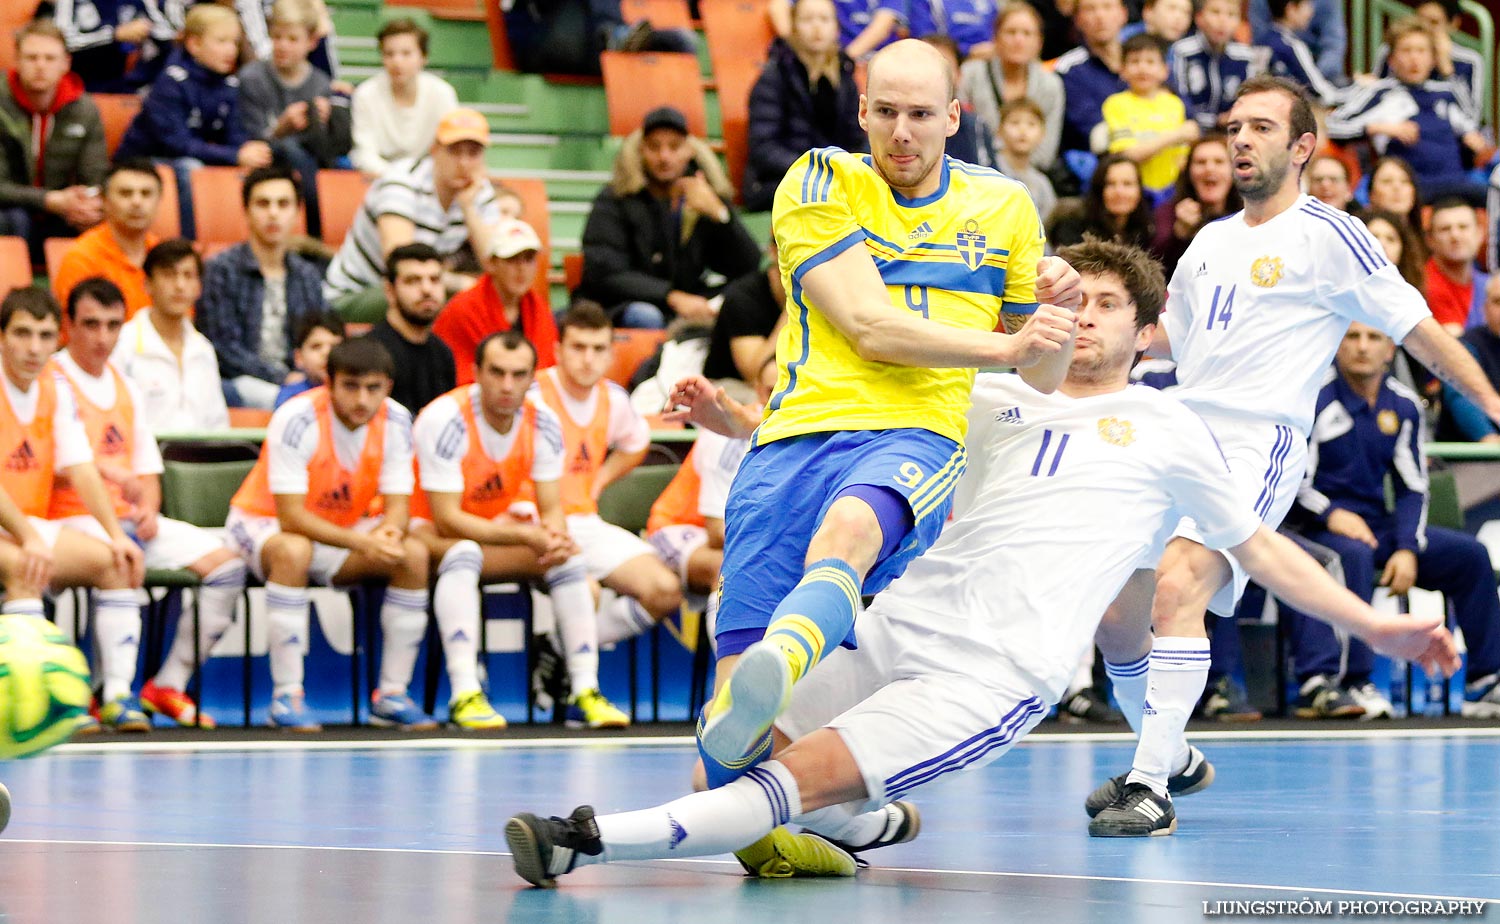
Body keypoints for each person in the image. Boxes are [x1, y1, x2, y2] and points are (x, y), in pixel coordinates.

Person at [503, 239, 1458, 886]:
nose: (1082, 319)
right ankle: (870, 826)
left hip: (992, 672)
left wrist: (1373, 623)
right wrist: (729, 421)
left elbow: (1258, 547)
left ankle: (581, 838)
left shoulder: (1171, 427)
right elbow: (858, 446)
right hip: (899, 624)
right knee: (728, 759)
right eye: (1069, 302)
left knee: (781, 789)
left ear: (1144, 329)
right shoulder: (989, 396)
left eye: (1106, 306)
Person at [1085, 75, 1500, 838]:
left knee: (1179, 588)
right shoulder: (1210, 240)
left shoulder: (1331, 235)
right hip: (1177, 428)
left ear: (1303, 147)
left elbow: (1418, 327)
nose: (1241, 140)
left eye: (1263, 128)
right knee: (1116, 612)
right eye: (1236, 126)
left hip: (1254, 442)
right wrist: (1095, 328)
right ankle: (1170, 749)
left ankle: (1150, 784)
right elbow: (1175, 336)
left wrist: (1497, 404)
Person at [671, 39, 1079, 804]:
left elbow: (1042, 374)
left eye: (921, 114)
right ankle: (819, 824)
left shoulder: (1006, 207)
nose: (902, 132)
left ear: (955, 117)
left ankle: (781, 666)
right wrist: (1008, 341)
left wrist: (1061, 311)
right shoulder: (820, 179)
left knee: (848, 536)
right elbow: (868, 326)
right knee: (717, 767)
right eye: (885, 112)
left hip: (913, 434)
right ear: (861, 111)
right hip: (789, 440)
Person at [411, 329, 629, 729]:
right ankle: (465, 693)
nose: (507, 385)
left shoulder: (543, 421)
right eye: (497, 373)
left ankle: (583, 690)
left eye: (518, 374)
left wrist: (557, 539)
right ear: (476, 372)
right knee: (463, 552)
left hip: (497, 532)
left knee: (569, 561)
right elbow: (446, 518)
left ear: (533, 377)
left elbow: (551, 506)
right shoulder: (444, 419)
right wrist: (528, 536)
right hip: (427, 533)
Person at [54, 277, 247, 728]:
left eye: (112, 325)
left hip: (124, 521)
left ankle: (168, 683)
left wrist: (148, 510)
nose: (102, 338)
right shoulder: (52, 380)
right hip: (67, 519)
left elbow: (147, 467)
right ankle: (112, 694)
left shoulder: (126, 385)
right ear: (69, 326)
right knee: (119, 559)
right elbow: (49, 464)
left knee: (227, 566)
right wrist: (110, 476)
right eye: (90, 325)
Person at [1285, 322, 1500, 719]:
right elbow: (1293, 480)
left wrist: (1406, 548)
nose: (1363, 347)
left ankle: (1485, 682)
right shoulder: (1312, 399)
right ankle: (1348, 682)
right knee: (1352, 554)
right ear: (1336, 345)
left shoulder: (1403, 405)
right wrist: (1332, 513)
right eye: (1352, 337)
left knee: (1469, 556)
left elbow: (1413, 487)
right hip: (1313, 524)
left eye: (1374, 338)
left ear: (1390, 350)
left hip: (1376, 524)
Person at [224, 337, 432, 731]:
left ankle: (391, 694)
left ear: (387, 387)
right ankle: (286, 696)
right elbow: (290, 518)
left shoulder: (398, 420)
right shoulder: (297, 417)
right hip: (261, 523)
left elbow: (399, 505)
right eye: (350, 386)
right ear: (328, 382)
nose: (362, 399)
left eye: (373, 388)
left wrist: (388, 534)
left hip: (342, 530)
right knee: (294, 552)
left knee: (413, 554)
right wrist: (364, 542)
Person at [0, 288, 146, 730]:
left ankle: (117, 696)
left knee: (116, 563)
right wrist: (28, 537)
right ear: (2, 337)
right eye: (22, 333)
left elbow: (81, 468)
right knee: (26, 566)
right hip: (16, 531)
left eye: (45, 335)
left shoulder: (54, 386)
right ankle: (35, 708)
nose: (34, 347)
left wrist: (117, 535)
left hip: (26, 525)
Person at [530, 304, 683, 652]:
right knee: (586, 591)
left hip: (585, 522)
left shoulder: (613, 398)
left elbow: (636, 442)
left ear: (611, 353)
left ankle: (556, 649)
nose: (588, 359)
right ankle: (575, 673)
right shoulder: (535, 395)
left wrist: (598, 481)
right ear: (558, 351)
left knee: (665, 589)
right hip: (533, 524)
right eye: (578, 347)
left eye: (598, 349)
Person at [576, 106, 762, 330]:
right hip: (622, 304)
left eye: (674, 147)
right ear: (641, 150)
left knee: (745, 300)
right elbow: (604, 272)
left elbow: (749, 267)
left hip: (687, 300)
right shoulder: (615, 198)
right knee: (646, 315)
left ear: (689, 151)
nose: (664, 157)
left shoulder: (704, 195)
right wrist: (671, 296)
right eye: (655, 147)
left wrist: (720, 214)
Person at [323, 109, 501, 321]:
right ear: (434, 150)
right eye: (454, 151)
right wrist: (462, 284)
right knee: (440, 300)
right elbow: (401, 265)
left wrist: (468, 207)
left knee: (495, 298)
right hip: (357, 293)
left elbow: (496, 263)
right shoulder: (401, 181)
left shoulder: (479, 191)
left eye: (473, 153)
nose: (463, 163)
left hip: (420, 287)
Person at [115, 4, 273, 237]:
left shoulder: (229, 85)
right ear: (194, 44)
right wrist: (234, 155)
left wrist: (248, 151)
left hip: (194, 157)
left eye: (234, 43)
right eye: (221, 41)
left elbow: (235, 136)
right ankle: (189, 244)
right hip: (143, 163)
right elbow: (177, 144)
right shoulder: (170, 82)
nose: (230, 51)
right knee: (191, 168)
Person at [198, 165, 329, 410]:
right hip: (241, 382)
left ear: (297, 212)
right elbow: (222, 349)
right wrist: (282, 378)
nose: (273, 213)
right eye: (263, 204)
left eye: (283, 204)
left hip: (300, 381)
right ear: (246, 211)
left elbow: (319, 335)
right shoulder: (220, 269)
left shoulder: (307, 274)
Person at [1327, 19, 1488, 207]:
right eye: (1406, 50)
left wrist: (1473, 137)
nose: (1414, 59)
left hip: (1456, 183)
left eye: (1421, 51)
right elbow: (1334, 125)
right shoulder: (1380, 93)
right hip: (1407, 188)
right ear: (1391, 59)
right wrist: (1381, 128)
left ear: (1433, 59)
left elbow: (1476, 128)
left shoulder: (1446, 91)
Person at [647, 372, 769, 614]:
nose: (780, 396)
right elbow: (716, 532)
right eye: (771, 389)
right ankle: (731, 652)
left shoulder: (805, 433)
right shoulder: (728, 434)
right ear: (757, 389)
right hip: (679, 528)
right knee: (729, 567)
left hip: (744, 535)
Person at [237, 0, 353, 235]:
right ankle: (316, 230)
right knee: (290, 148)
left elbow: (327, 147)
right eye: (277, 37)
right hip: (267, 161)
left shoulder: (320, 82)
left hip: (311, 162)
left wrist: (326, 120)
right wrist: (281, 128)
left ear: (311, 42)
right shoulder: (252, 77)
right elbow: (249, 138)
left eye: (292, 39)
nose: (282, 46)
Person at [744, 0, 865, 213]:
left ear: (837, 28)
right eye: (807, 19)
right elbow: (763, 148)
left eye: (824, 19)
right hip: (779, 182)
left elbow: (859, 138)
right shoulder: (774, 77)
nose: (817, 27)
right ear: (793, 27)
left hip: (835, 181)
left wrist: (850, 171)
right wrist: (816, 170)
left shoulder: (845, 77)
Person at [0, 20, 107, 260]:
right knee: (12, 219)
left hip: (63, 211)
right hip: (12, 209)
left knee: (101, 214)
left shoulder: (84, 109)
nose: (40, 66)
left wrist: (86, 203)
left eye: (49, 58)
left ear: (65, 63)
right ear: (16, 60)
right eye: (32, 57)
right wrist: (50, 200)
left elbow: (95, 174)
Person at [111, 239, 231, 434]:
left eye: (188, 275)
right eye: (169, 275)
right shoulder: (123, 344)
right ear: (147, 284)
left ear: (199, 287)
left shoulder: (203, 349)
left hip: (203, 458)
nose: (180, 285)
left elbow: (218, 424)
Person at [433, 218, 557, 386]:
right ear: (491, 263)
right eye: (512, 259)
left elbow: (548, 370)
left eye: (528, 259)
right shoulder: (463, 309)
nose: (521, 268)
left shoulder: (539, 309)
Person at [957, 2, 1063, 173]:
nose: (1018, 40)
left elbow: (1046, 152)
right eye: (1011, 32)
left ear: (1039, 42)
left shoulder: (1050, 85)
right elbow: (961, 135)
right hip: (975, 174)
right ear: (995, 38)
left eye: (1027, 34)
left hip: (1031, 176)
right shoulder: (971, 75)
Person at [51, 159, 161, 321]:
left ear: (159, 200)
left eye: (146, 194)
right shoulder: (82, 258)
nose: (137, 202)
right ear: (104, 200)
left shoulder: (164, 255)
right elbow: (73, 331)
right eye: (125, 193)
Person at [354, 242, 455, 415]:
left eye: (435, 279)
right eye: (413, 281)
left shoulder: (442, 352)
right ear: (390, 291)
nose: (427, 289)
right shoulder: (368, 354)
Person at [348, 18, 458, 176]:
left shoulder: (442, 93)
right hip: (379, 178)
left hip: (429, 178)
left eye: (406, 54)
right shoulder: (365, 94)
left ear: (423, 57)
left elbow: (450, 146)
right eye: (389, 54)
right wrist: (397, 178)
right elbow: (365, 152)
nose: (397, 62)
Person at [1100, 33, 1198, 200]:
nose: (1142, 68)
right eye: (1135, 61)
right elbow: (1127, 155)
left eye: (1150, 62)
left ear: (1164, 70)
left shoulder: (1175, 104)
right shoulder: (1116, 104)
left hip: (1173, 192)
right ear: (1122, 70)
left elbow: (1182, 156)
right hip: (1136, 194)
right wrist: (1176, 135)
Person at [1370, 0, 1485, 123]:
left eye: (1434, 23)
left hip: (1448, 131)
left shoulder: (1469, 60)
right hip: (1401, 125)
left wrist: (1447, 71)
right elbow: (1375, 100)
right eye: (1420, 20)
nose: (1426, 29)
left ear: (1453, 24)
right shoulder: (1391, 51)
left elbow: (1472, 119)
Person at [1149, 133, 1240, 276]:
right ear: (1189, 172)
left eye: (1219, 162)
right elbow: (1154, 269)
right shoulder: (1168, 213)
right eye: (1201, 162)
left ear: (1234, 171)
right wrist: (1178, 235)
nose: (1209, 168)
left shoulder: (1250, 214)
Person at [1170, 0, 1266, 132]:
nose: (1223, 21)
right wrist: (1215, 120)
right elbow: (1179, 97)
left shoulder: (1245, 56)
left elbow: (1251, 99)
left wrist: (1233, 117)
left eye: (1231, 15)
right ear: (1199, 18)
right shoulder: (1182, 51)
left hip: (1232, 131)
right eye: (1215, 12)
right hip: (1192, 130)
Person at [1053, 0, 1128, 164]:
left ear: (1123, 14)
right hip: (1099, 167)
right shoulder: (1069, 69)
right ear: (1078, 20)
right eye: (1090, 9)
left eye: (1107, 7)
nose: (1100, 16)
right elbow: (1094, 133)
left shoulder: (1144, 60)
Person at [52, 0, 183, 93]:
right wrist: (114, 34)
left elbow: (166, 34)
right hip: (76, 83)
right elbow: (60, 41)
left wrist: (147, 29)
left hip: (122, 83)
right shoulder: (70, 2)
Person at [1048, 154, 1155, 250]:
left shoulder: (1146, 229)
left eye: (1127, 184)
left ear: (1139, 190)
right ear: (1099, 189)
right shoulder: (1073, 223)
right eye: (1110, 184)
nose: (1119, 192)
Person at [1422, 197, 1488, 334]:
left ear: (1480, 233)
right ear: (1430, 239)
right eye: (1445, 229)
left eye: (1463, 227)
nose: (1455, 236)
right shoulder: (1422, 285)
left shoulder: (1490, 285)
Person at [1261, 0, 1344, 107]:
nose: (1311, 11)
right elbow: (1320, 91)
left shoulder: (1262, 40)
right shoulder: (1292, 46)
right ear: (1291, 9)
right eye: (1306, 5)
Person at [993, 98, 1056, 222]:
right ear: (1000, 130)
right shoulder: (988, 172)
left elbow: (1047, 227)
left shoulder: (1042, 184)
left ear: (1042, 134)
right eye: (1015, 123)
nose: (1023, 131)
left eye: (1031, 124)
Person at [275, 311, 343, 408]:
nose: (326, 353)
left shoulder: (357, 392)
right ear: (299, 358)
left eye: (334, 346)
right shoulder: (291, 397)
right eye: (316, 346)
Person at [907, 0, 999, 59]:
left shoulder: (989, 3)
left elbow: (999, 32)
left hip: (987, 62)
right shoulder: (926, 2)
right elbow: (924, 40)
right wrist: (967, 52)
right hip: (944, 59)